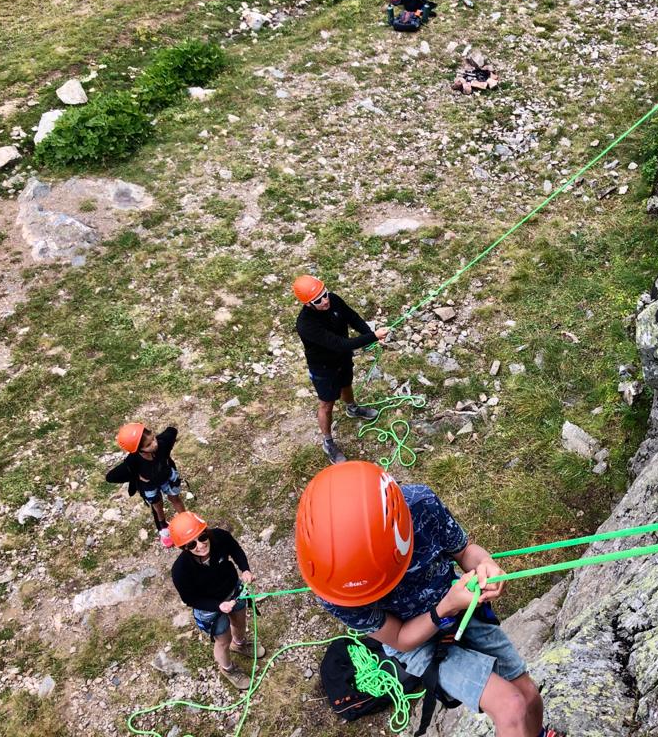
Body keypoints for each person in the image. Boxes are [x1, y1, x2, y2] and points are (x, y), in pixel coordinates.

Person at [295, 461, 566, 737]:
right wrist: (445, 607)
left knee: (529, 695)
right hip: (418, 639)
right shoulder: (334, 590)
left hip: (460, 608)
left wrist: (486, 565)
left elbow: (464, 552)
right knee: (512, 707)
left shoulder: (421, 506)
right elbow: (400, 638)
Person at [293, 274, 390, 464]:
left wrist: (369, 334)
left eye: (325, 294)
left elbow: (352, 317)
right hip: (323, 366)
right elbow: (339, 344)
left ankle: (352, 408)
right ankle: (328, 442)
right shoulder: (306, 324)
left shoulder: (334, 300)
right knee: (326, 404)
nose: (325, 300)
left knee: (347, 383)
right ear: (307, 304)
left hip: (342, 359)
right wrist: (373, 337)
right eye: (318, 300)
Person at [170, 511, 266, 690]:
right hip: (209, 607)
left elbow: (236, 550)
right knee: (222, 640)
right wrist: (218, 606)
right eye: (192, 544)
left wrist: (245, 569)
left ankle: (239, 644)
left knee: (240, 621)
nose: (200, 545)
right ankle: (228, 669)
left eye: (203, 537)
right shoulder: (181, 571)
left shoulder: (220, 537)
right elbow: (190, 598)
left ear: (207, 532)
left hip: (233, 591)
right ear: (184, 548)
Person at [106, 423, 187, 547]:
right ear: (139, 450)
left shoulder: (162, 443)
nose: (154, 444)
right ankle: (163, 528)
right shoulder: (133, 461)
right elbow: (111, 477)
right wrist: (136, 476)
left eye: (153, 438)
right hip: (150, 486)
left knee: (175, 498)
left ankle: (186, 522)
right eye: (148, 445)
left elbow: (171, 431)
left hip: (167, 478)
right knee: (157, 506)